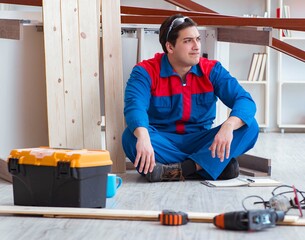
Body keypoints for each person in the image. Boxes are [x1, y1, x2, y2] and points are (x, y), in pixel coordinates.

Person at [122, 14, 259, 182]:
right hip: (162, 140)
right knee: (130, 137)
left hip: (201, 141)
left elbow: (244, 100)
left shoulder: (212, 69)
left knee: (250, 126)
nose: (196, 47)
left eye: (198, 39)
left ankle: (180, 170)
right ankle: (208, 166)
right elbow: (134, 106)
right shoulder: (144, 71)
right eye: (188, 41)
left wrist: (229, 125)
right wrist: (143, 137)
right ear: (170, 47)